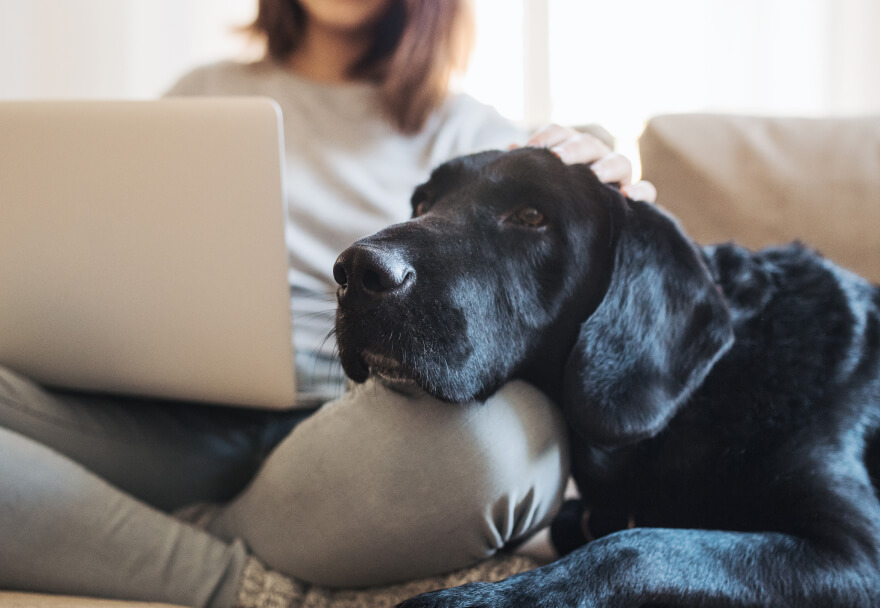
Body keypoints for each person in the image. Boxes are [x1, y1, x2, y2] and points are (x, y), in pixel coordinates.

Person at [0, 1, 656, 607]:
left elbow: (579, 264)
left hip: (356, 435)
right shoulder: (201, 95)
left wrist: (607, 184)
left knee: (508, 444)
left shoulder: (475, 132)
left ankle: (112, 528)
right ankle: (240, 576)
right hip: (163, 423)